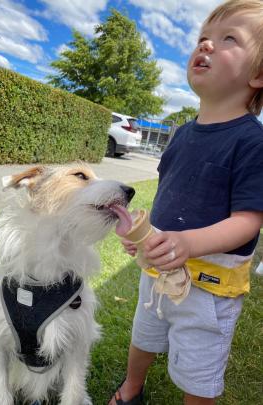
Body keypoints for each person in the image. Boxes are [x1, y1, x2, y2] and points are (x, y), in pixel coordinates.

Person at [109, 1, 263, 404]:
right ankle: (131, 388)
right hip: (157, 272)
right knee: (144, 334)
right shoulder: (179, 135)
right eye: (203, 39)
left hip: (211, 289)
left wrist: (189, 244)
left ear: (259, 74)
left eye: (229, 39)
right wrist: (145, 240)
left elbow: (247, 222)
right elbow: (169, 200)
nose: (207, 46)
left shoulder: (252, 141)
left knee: (198, 369)